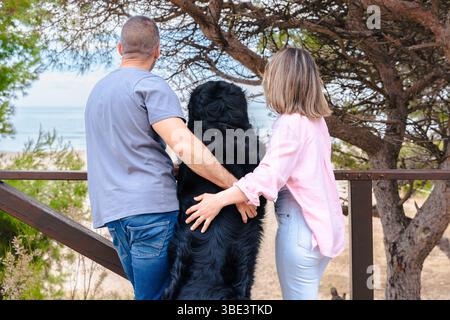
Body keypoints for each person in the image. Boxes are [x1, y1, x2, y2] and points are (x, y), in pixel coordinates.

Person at [84, 16, 255, 300]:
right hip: (151, 214)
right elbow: (183, 144)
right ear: (157, 50)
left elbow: (126, 146)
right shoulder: (150, 86)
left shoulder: (98, 91)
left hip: (113, 214)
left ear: (119, 48)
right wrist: (234, 186)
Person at [186, 47, 346, 300]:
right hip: (322, 228)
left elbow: (270, 174)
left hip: (300, 230)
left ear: (281, 81)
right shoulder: (316, 121)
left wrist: (218, 199)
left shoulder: (290, 123)